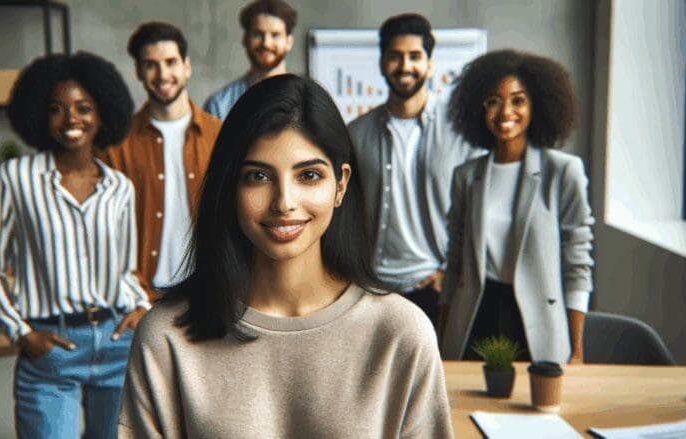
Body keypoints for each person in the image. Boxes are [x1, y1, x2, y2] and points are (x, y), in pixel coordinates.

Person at [119, 74, 453, 438]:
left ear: (340, 185)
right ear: (230, 186)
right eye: (258, 177)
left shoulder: (400, 334)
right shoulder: (166, 337)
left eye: (308, 175)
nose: (284, 202)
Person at [0, 52, 151, 438]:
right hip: (50, 351)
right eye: (57, 109)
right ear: (40, 115)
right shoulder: (15, 179)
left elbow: (123, 272)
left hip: (115, 344)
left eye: (83, 108)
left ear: (103, 114)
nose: (71, 119)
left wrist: (141, 306)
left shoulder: (120, 188)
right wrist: (21, 332)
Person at [440, 49, 594, 365]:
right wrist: (443, 337)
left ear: (537, 105)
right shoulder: (466, 176)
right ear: (479, 108)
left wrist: (576, 349)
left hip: (537, 321)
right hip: (474, 316)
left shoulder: (563, 172)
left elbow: (577, 262)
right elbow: (454, 263)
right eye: (493, 101)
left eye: (518, 100)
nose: (505, 111)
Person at [348, 13, 482, 327]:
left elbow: (479, 207)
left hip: (437, 289)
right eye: (395, 56)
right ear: (382, 63)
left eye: (415, 56)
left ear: (430, 64)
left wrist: (451, 271)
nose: (405, 66)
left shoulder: (460, 131)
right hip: (374, 289)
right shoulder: (355, 134)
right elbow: (344, 213)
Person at [97, 22, 221, 298]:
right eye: (151, 65)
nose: (163, 74)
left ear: (186, 66)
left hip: (208, 292)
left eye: (170, 62)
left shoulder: (220, 136)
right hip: (140, 297)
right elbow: (102, 230)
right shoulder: (115, 145)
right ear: (138, 71)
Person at [203, 0, 297, 120]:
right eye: (258, 34)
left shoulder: (309, 99)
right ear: (245, 39)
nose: (266, 43)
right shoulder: (219, 105)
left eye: (275, 35)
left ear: (289, 42)